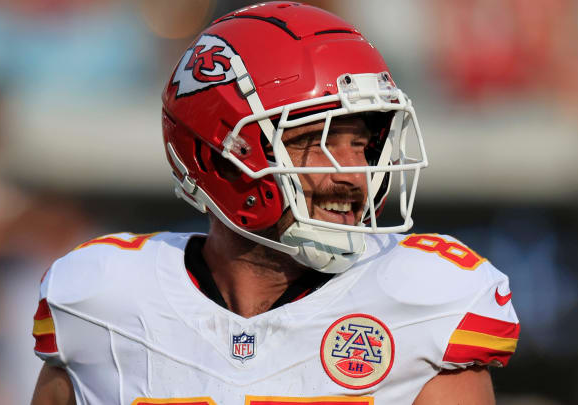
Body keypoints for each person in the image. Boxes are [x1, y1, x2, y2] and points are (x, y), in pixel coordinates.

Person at [31, 3, 519, 404]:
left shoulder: (425, 298)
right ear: (220, 155)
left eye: (363, 143)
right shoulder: (103, 301)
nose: (352, 174)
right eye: (316, 143)